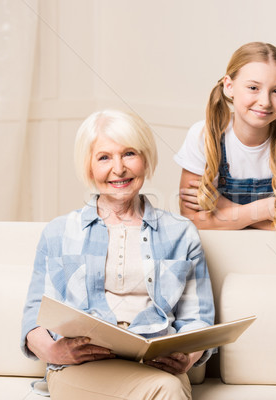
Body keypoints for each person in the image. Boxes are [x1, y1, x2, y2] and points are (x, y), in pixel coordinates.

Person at [20, 109, 215, 400]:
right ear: (88, 167)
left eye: (129, 154)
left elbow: (199, 319)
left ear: (146, 160)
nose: (119, 168)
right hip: (81, 368)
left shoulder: (181, 233)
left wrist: (187, 358)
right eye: (104, 157)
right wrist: (54, 351)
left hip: (154, 366)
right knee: (167, 391)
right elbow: (35, 317)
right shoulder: (59, 232)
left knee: (168, 384)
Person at [174, 42, 276, 235]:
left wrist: (221, 205)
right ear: (229, 86)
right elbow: (192, 220)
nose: (265, 102)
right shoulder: (203, 134)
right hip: (221, 254)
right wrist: (266, 210)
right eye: (253, 87)